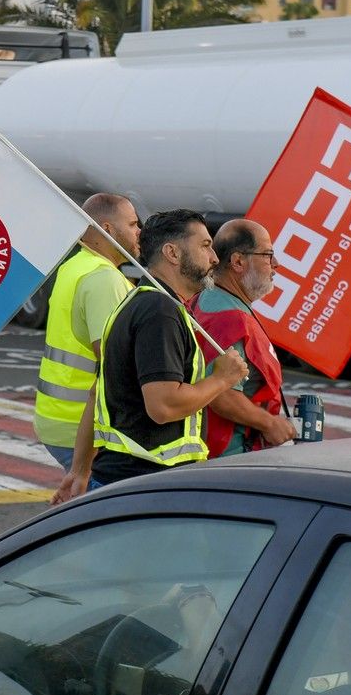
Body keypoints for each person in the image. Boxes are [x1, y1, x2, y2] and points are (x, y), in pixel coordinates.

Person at [54, 210, 248, 498]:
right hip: (148, 483)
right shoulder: (160, 312)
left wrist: (80, 471)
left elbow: (97, 395)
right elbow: (163, 406)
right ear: (172, 252)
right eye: (205, 246)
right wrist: (221, 378)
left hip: (126, 481)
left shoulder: (139, 302)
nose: (215, 259)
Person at [34, 193, 141, 469]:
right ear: (108, 229)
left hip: (55, 417)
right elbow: (115, 362)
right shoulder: (104, 279)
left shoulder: (75, 265)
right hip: (82, 426)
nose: (139, 231)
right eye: (132, 224)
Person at [189, 220, 297, 457]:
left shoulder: (205, 300)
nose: (276, 265)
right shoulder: (230, 319)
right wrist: (270, 423)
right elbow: (221, 394)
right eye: (268, 255)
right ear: (238, 262)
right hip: (229, 455)